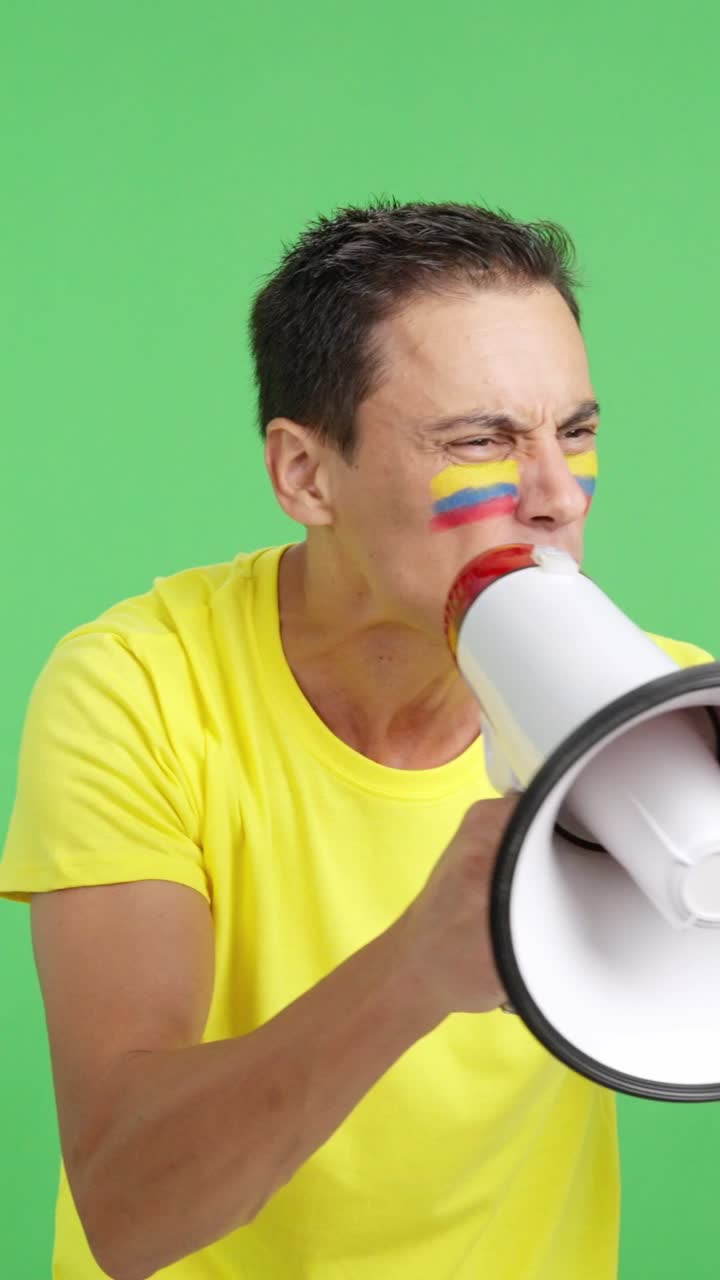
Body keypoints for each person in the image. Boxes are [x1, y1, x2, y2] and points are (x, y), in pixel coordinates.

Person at [0, 200, 713, 1280]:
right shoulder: (139, 688)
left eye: (575, 431)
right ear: (304, 474)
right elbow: (125, 1208)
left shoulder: (667, 710)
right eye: (480, 439)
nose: (557, 495)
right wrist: (412, 972)